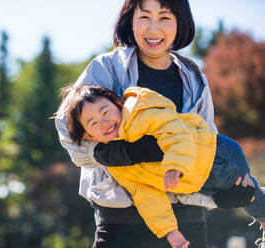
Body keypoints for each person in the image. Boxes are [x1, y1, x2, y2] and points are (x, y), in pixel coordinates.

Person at [55, 0, 257, 247]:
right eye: (144, 17)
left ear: (179, 23)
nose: (153, 29)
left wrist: (220, 198)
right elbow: (68, 129)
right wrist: (115, 153)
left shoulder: (195, 78)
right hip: (120, 222)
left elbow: (205, 151)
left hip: (186, 224)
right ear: (130, 20)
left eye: (164, 18)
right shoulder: (106, 68)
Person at [60, 84, 265, 248]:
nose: (104, 122)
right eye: (93, 123)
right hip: (200, 181)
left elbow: (176, 133)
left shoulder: (141, 112)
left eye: (105, 111)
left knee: (248, 194)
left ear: (117, 103)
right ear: (88, 136)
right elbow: (145, 194)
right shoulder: (116, 164)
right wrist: (170, 231)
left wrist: (174, 166)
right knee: (241, 195)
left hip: (216, 155)